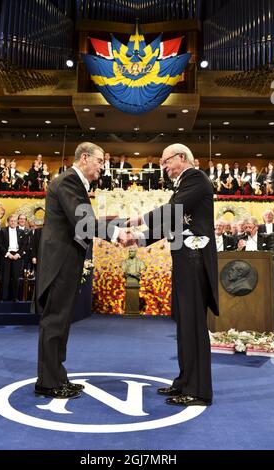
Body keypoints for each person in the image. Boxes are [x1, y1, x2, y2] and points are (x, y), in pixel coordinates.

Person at [34, 142, 130, 399]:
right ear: (85, 158)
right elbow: (84, 223)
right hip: (60, 264)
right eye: (100, 161)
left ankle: (56, 376)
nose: (102, 166)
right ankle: (48, 382)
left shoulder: (73, 184)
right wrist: (117, 231)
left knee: (61, 321)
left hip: (66, 262)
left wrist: (119, 225)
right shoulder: (68, 182)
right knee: (55, 321)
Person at [126, 143, 219, 407]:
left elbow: (170, 212)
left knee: (193, 325)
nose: (164, 168)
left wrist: (138, 221)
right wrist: (140, 241)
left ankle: (199, 390)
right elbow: (170, 223)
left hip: (195, 259)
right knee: (184, 323)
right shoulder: (182, 185)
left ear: (181, 158)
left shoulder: (195, 178)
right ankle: (185, 380)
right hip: (185, 260)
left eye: (166, 162)